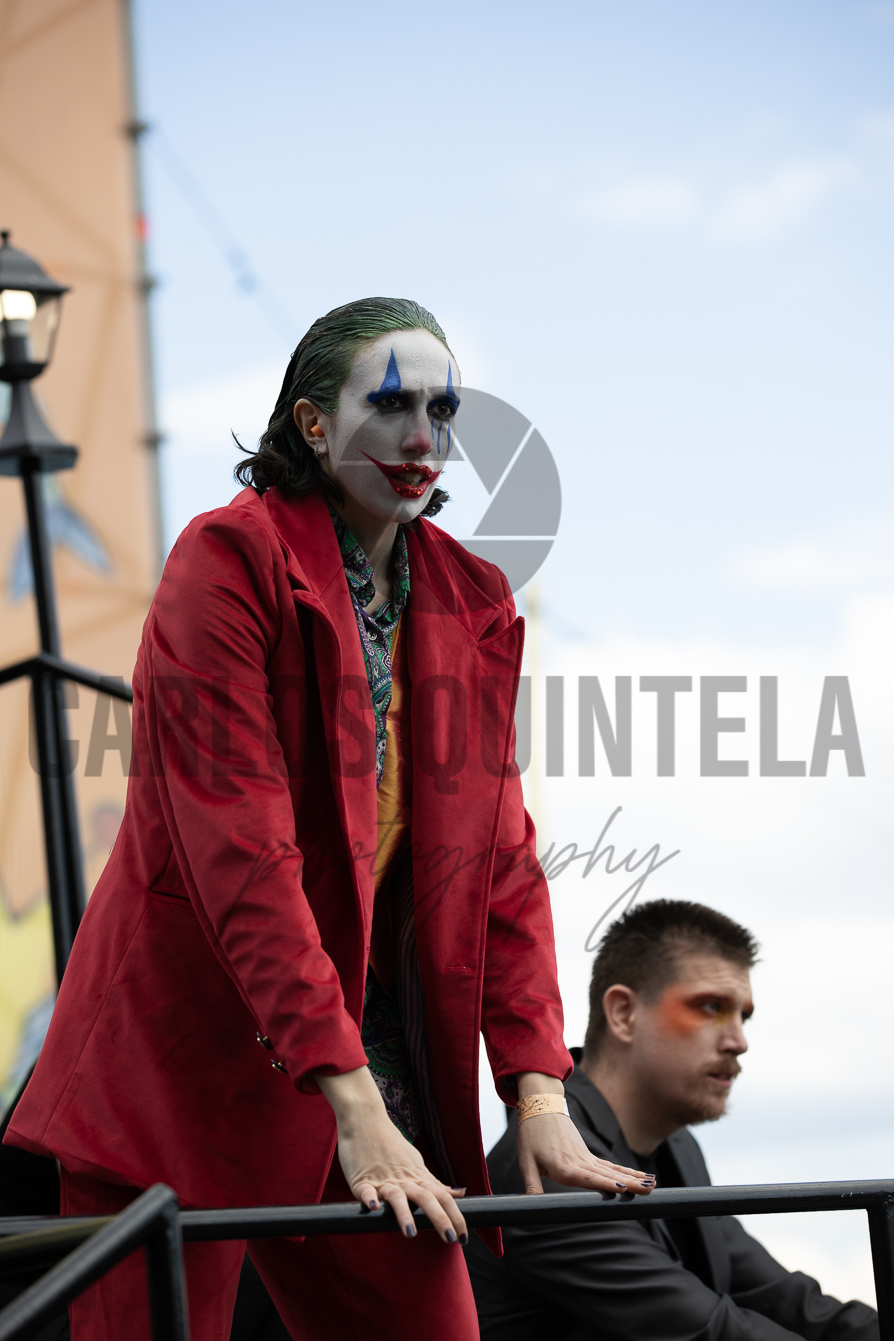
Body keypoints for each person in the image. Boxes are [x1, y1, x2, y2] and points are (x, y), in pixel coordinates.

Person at [4, 298, 652, 1341]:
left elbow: (497, 861)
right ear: (312, 424)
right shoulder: (228, 558)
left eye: (444, 410)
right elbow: (240, 853)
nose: (423, 437)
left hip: (364, 1046)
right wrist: (351, 1102)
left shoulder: (472, 595)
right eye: (390, 405)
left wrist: (538, 1096)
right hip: (185, 1052)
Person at [467, 898, 879, 1341]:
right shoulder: (554, 1170)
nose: (739, 1041)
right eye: (711, 1007)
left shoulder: (676, 1147)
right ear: (623, 1013)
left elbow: (792, 1303)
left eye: (743, 1016)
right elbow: (713, 1332)